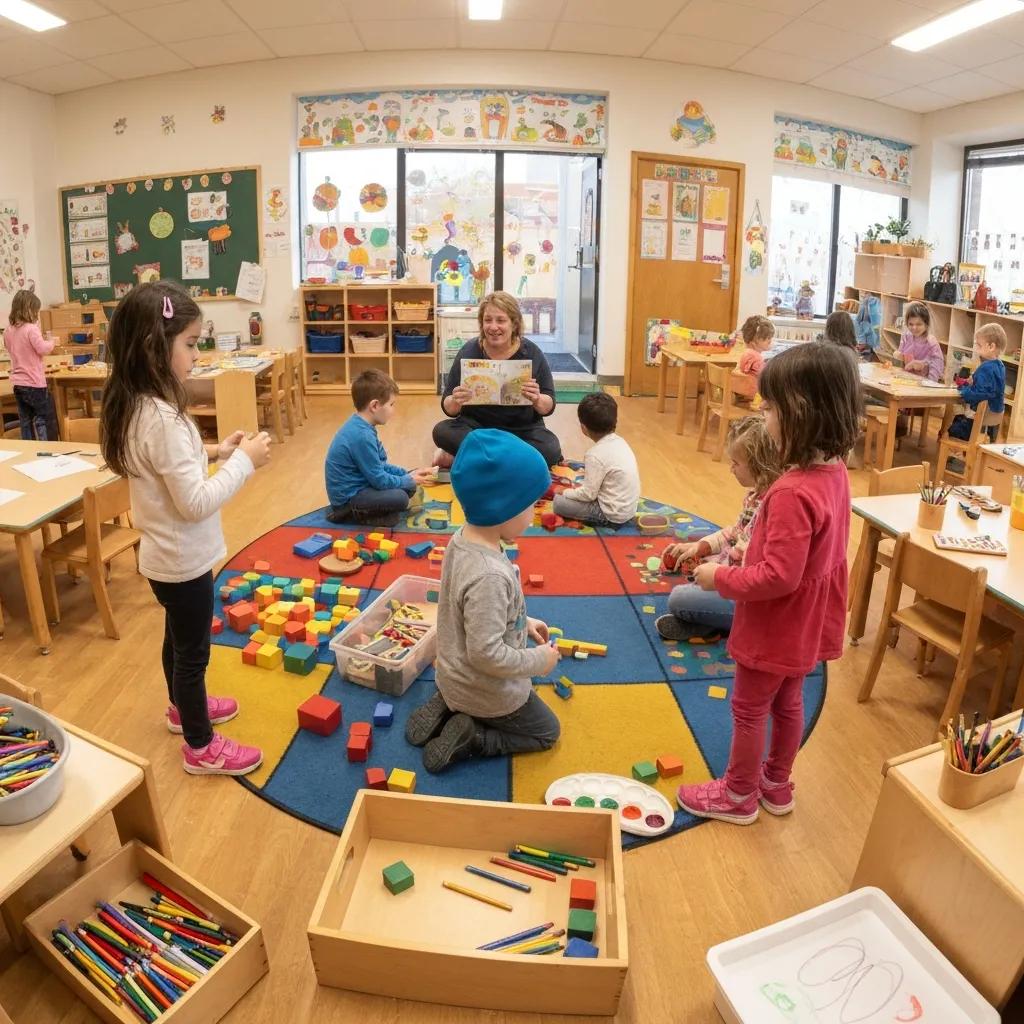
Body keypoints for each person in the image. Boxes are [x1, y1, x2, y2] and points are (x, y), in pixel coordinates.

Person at [676, 343, 859, 825]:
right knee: (789, 698)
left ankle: (738, 794)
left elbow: (778, 575)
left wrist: (719, 578)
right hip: (808, 619)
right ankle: (776, 784)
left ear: (802, 413)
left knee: (750, 706)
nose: (763, 412)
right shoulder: (834, 472)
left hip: (778, 621)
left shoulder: (791, 492)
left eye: (772, 406)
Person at [101, 280, 272, 777]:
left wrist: (216, 451)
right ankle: (200, 745)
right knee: (192, 653)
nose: (198, 355)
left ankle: (181, 709)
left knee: (176, 641)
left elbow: (168, 471)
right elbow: (195, 502)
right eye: (192, 344)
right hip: (182, 561)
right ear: (156, 348)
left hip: (163, 559)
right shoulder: (163, 419)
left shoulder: (137, 404)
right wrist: (241, 463)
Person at [404, 429, 561, 773]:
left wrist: (524, 620)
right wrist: (539, 661)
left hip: (451, 675)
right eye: (530, 505)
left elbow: (471, 613)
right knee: (548, 732)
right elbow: (487, 654)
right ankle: (476, 737)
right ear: (502, 508)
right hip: (488, 692)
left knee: (463, 686)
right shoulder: (490, 574)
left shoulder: (461, 541)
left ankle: (447, 703)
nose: (534, 515)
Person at [656, 417, 781, 642]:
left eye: (736, 463)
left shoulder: (773, 505)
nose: (731, 469)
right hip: (735, 575)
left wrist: (718, 574)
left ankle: (718, 624)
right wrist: (700, 547)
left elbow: (751, 565)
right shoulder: (756, 495)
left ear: (758, 464)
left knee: (678, 599)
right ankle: (710, 619)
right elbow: (736, 532)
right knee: (699, 566)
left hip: (750, 596)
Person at [433, 291, 561, 468]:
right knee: (442, 431)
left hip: (522, 429)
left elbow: (549, 406)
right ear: (481, 322)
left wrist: (537, 399)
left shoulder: (532, 353)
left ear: (514, 323)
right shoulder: (469, 351)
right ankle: (511, 462)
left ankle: (475, 459)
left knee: (551, 448)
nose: (493, 327)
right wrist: (456, 400)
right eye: (488, 320)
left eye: (501, 320)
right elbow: (448, 407)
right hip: (477, 428)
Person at [324, 369, 434, 527]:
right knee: (401, 497)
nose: (393, 410)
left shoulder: (362, 426)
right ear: (375, 405)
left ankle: (381, 511)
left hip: (364, 486)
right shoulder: (361, 436)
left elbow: (379, 466)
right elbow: (379, 479)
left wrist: (407, 474)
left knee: (408, 485)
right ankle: (360, 516)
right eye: (391, 404)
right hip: (347, 503)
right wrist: (407, 480)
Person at [552, 392, 639, 528]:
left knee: (558, 502)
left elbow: (588, 494)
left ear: (583, 428)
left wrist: (564, 491)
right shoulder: (620, 442)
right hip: (627, 511)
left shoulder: (594, 455)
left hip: (610, 516)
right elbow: (606, 465)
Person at [5, 288, 59, 440]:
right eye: (35, 311)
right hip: (34, 383)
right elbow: (42, 349)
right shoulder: (31, 329)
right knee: (43, 418)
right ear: (29, 310)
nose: (36, 315)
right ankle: (47, 449)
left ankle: (29, 449)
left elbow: (11, 348)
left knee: (25, 420)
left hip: (18, 383)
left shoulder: (8, 331)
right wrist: (52, 342)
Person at [949, 323, 1006, 442]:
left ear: (991, 346)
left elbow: (979, 393)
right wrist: (970, 382)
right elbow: (986, 386)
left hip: (978, 421)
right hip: (991, 421)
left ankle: (957, 453)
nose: (977, 349)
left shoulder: (986, 368)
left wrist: (963, 391)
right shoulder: (1000, 366)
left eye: (979, 346)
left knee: (952, 430)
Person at [895, 302, 943, 381]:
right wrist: (898, 355)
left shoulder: (931, 342)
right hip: (906, 379)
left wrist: (924, 364)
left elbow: (937, 366)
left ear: (926, 324)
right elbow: (900, 357)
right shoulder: (906, 336)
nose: (914, 328)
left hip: (924, 382)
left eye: (919, 324)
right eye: (911, 324)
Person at [731, 315, 774, 399]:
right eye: (767, 338)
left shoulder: (746, 353)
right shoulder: (755, 357)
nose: (770, 340)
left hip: (741, 394)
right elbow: (764, 377)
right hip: (753, 396)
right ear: (754, 340)